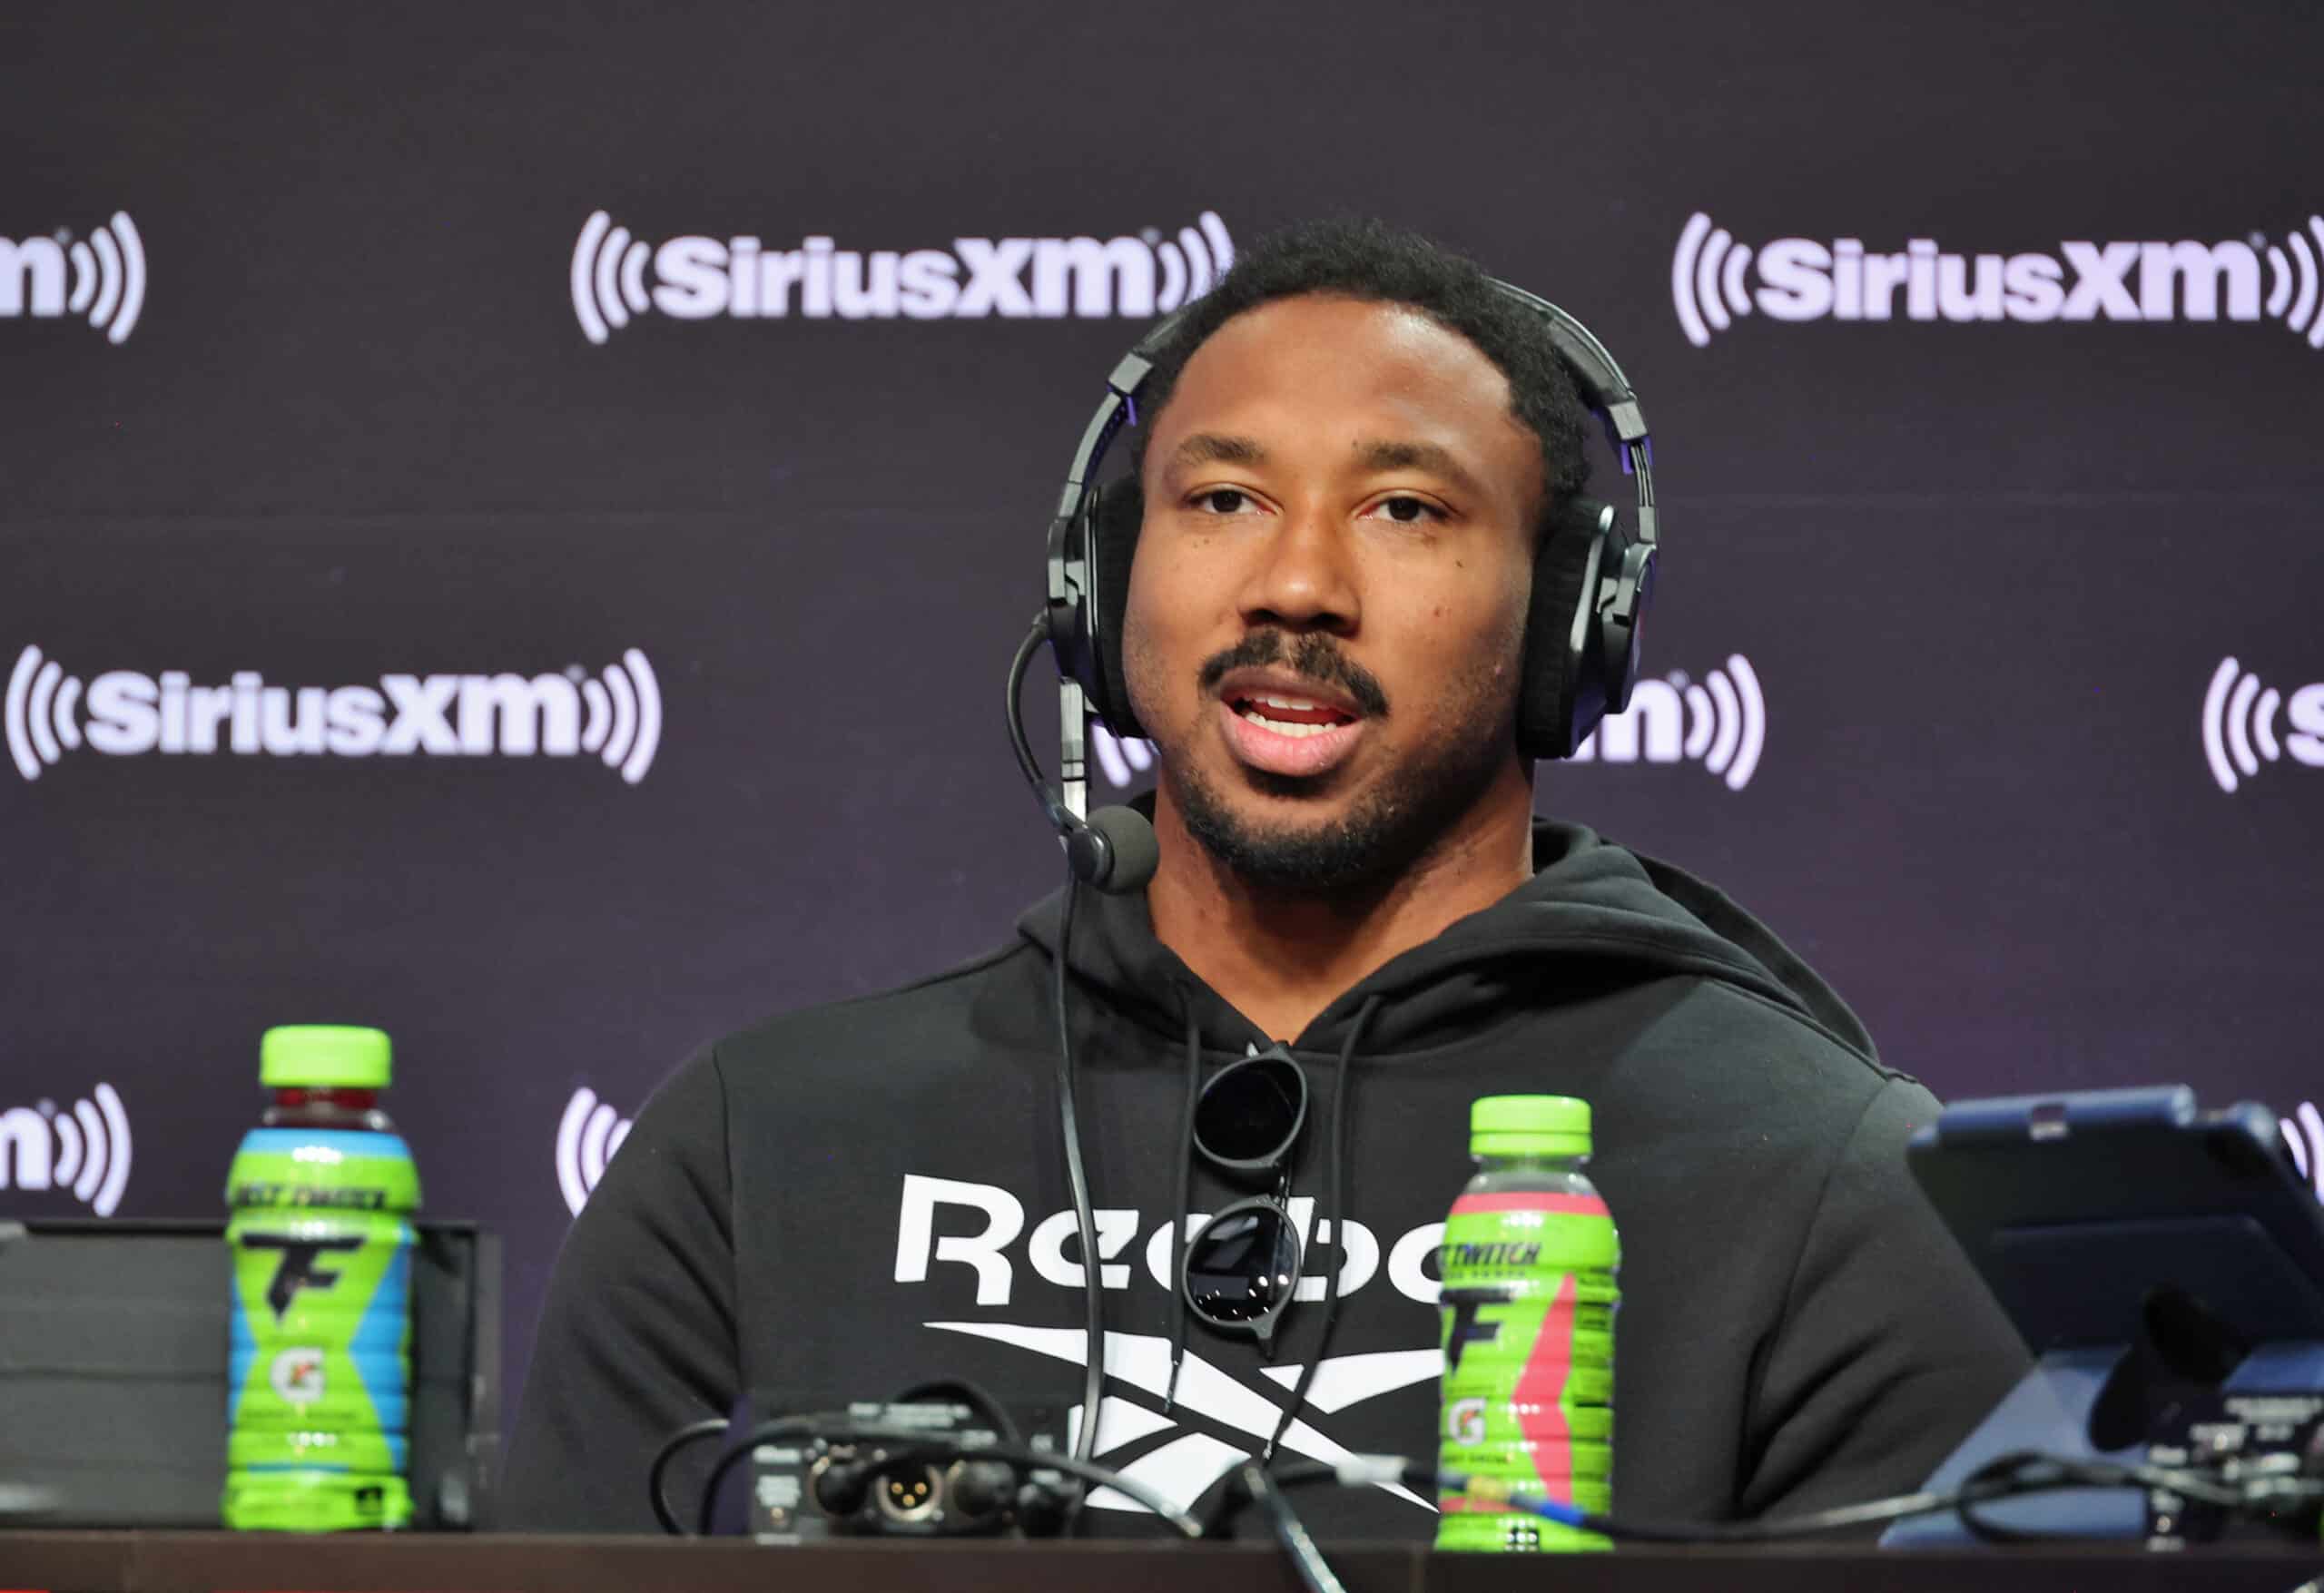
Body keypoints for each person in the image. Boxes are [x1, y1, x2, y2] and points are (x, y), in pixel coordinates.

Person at [503, 218, 2026, 1539]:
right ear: (1103, 588)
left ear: (1569, 621)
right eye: (1223, 498)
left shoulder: (1830, 1181)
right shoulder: (760, 1147)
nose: (1296, 584)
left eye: (1404, 510)